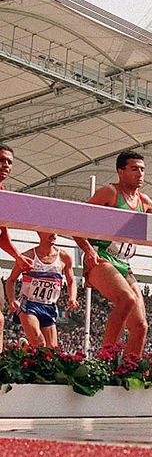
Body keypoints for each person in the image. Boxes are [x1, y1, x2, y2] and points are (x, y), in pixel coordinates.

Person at [74, 151, 152, 357]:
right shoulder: (109, 193)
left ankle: (129, 369)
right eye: (134, 169)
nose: (140, 174)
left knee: (141, 326)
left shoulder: (145, 201)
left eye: (142, 169)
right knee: (126, 299)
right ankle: (104, 359)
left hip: (124, 263)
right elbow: (75, 221)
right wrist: (87, 249)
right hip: (101, 256)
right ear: (120, 171)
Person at [6, 231, 78, 348]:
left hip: (49, 306)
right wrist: (12, 299)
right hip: (28, 304)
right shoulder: (28, 256)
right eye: (49, 231)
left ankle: (24, 347)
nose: (54, 234)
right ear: (39, 232)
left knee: (52, 351)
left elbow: (71, 281)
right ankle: (29, 347)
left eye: (56, 231)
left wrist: (72, 298)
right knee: (40, 343)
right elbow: (11, 280)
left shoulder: (64, 257)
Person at [0, 144, 34, 352]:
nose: (5, 165)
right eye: (1, 160)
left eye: (9, 162)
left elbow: (2, 236)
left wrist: (18, 257)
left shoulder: (3, 194)